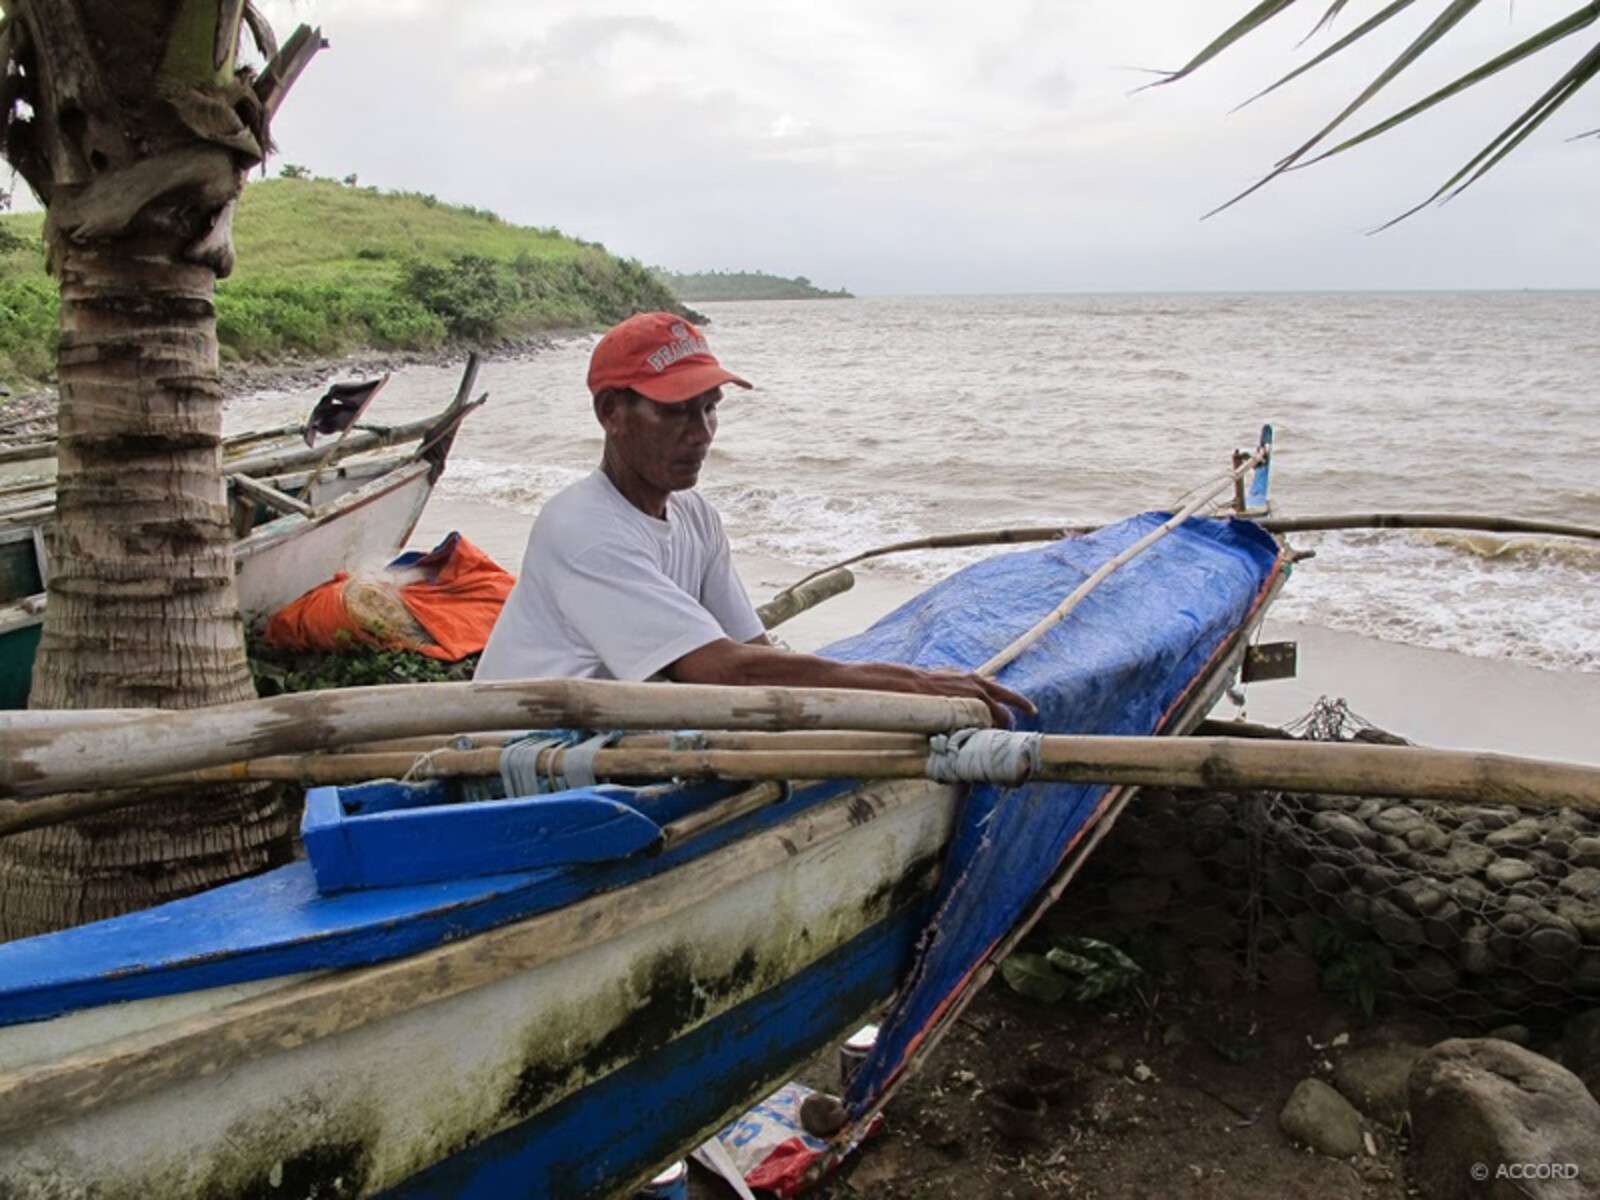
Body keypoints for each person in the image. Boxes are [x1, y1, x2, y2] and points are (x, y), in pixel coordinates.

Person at [475, 312, 1032, 727]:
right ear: (611, 414)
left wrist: (878, 692)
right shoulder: (584, 530)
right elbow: (725, 671)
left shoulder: (696, 517)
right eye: (674, 411)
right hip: (518, 750)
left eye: (709, 407)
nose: (701, 432)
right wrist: (907, 684)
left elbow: (755, 655)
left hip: (606, 731)